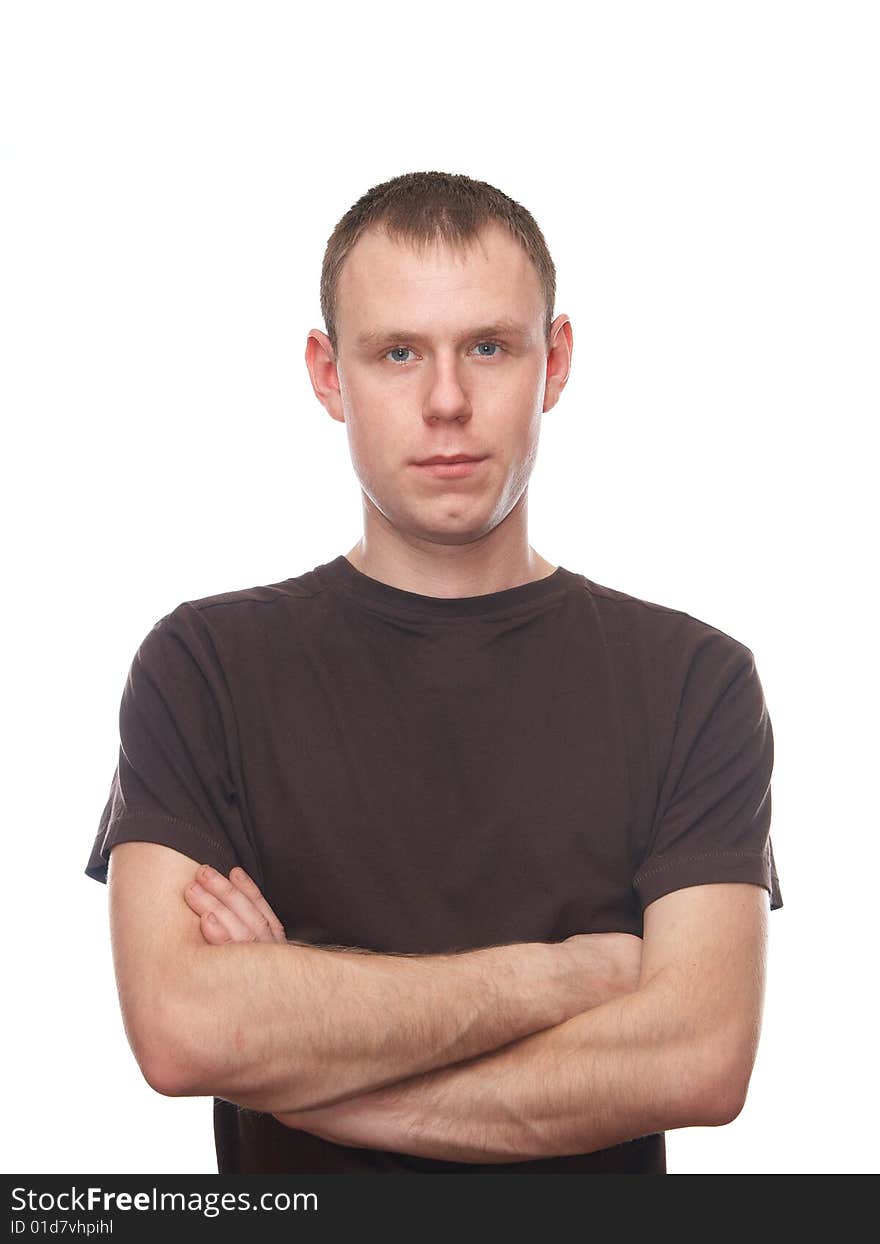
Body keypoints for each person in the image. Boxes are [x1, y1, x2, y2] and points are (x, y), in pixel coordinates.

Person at [85, 170, 782, 1174]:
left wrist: (301, 1053)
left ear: (556, 362)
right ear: (328, 374)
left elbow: (699, 1059)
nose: (447, 400)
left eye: (488, 347)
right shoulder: (204, 666)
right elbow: (183, 1030)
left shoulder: (694, 681)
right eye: (397, 352)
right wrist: (564, 978)